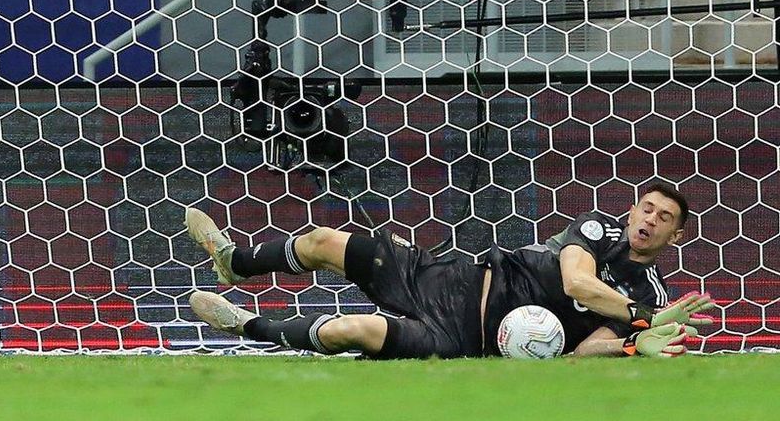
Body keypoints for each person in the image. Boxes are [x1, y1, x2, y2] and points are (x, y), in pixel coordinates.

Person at [185, 182, 715, 358]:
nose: (649, 220)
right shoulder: (598, 231)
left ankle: (243, 325)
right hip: (454, 277)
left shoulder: (651, 295)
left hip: (462, 336)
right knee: (326, 241)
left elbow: (585, 350)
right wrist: (640, 316)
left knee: (353, 330)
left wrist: (627, 344)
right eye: (646, 208)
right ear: (631, 212)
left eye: (664, 218)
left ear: (677, 235)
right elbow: (577, 282)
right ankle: (235, 263)